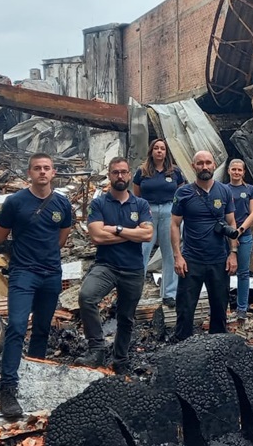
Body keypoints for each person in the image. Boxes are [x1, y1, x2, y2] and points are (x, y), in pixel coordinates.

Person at [0, 153, 73, 417]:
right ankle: (8, 389)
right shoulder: (15, 202)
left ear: (53, 173)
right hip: (23, 273)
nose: (42, 172)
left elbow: (62, 237)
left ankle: (33, 378)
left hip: (51, 274)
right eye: (37, 168)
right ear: (29, 173)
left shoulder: (62, 203)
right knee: (16, 326)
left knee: (41, 328)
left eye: (46, 168)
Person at [76, 157, 153, 372]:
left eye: (124, 172)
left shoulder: (141, 204)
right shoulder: (99, 203)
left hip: (133, 269)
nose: (120, 176)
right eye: (115, 172)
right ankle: (97, 349)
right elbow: (97, 237)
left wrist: (116, 229)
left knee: (126, 318)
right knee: (87, 297)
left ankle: (120, 360)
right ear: (109, 176)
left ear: (129, 175)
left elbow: (147, 235)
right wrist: (132, 234)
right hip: (106, 266)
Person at [171, 150, 238, 341]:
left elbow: (232, 223)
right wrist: (177, 255)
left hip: (219, 259)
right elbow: (174, 224)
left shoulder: (224, 191)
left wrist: (233, 253)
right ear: (193, 166)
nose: (205, 166)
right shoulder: (183, 193)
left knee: (219, 307)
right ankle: (182, 347)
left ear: (214, 165)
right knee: (185, 307)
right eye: (200, 163)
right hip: (192, 259)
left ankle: (216, 349)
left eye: (208, 162)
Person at [133, 138, 186, 308]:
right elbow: (137, 195)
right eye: (156, 148)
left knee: (170, 252)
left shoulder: (175, 172)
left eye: (162, 148)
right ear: (151, 151)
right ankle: (135, 293)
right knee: (142, 251)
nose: (159, 151)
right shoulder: (142, 171)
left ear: (166, 152)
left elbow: (181, 193)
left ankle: (169, 293)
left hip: (169, 211)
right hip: (148, 211)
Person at [224, 159, 253, 321]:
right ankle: (221, 306)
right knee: (223, 272)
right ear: (229, 171)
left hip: (244, 235)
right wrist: (230, 234)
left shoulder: (250, 190)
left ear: (244, 172)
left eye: (240, 170)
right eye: (234, 169)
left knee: (243, 272)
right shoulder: (223, 189)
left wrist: (239, 231)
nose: (236, 172)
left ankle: (242, 308)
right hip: (225, 236)